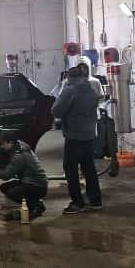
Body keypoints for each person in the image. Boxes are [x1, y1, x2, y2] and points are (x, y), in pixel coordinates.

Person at [53, 66, 102, 214]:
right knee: (89, 168)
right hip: (89, 135)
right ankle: (95, 200)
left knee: (71, 169)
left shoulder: (70, 90)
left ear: (70, 78)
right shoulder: (91, 89)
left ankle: (77, 203)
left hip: (74, 136)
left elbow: (56, 111)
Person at [0, 131, 49, 220]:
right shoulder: (18, 145)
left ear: (10, 142)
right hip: (33, 182)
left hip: (37, 186)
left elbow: (6, 175)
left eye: (2, 144)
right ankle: (33, 203)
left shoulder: (19, 155)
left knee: (12, 192)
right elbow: (8, 161)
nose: (1, 146)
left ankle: (36, 205)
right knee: (5, 187)